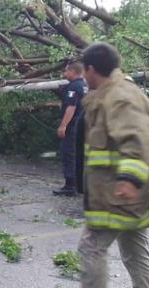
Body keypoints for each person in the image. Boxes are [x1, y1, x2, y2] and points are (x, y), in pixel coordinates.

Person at [77, 43, 149, 288]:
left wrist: (130, 179)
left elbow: (139, 138)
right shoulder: (114, 92)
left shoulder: (119, 96)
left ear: (92, 69)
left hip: (118, 194)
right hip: (123, 194)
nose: (84, 76)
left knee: (91, 246)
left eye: (85, 71)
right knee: (134, 249)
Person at [53, 62, 88, 196]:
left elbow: (71, 107)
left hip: (72, 126)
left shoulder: (73, 87)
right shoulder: (85, 85)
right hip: (82, 126)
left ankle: (70, 186)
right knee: (79, 155)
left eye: (66, 71)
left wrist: (63, 126)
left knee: (68, 154)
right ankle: (79, 184)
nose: (64, 74)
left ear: (73, 71)